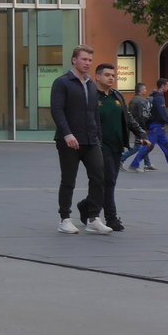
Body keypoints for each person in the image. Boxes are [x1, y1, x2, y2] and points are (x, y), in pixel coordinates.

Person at [50, 45, 109, 234]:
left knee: (99, 177)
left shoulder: (92, 85)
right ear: (74, 60)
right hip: (69, 140)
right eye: (84, 59)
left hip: (91, 140)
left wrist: (98, 136)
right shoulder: (62, 83)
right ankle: (65, 219)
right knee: (69, 180)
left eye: (90, 60)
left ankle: (93, 218)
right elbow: (57, 110)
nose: (87, 63)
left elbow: (94, 113)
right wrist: (67, 134)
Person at [94, 63, 148, 231]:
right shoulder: (92, 97)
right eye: (107, 75)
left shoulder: (117, 96)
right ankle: (111, 218)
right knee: (108, 181)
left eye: (113, 75)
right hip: (100, 145)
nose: (111, 77)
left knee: (109, 181)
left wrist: (141, 134)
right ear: (97, 77)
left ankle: (86, 207)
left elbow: (128, 117)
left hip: (118, 145)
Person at [128, 78, 168, 173]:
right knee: (148, 146)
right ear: (162, 86)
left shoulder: (155, 96)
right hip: (156, 126)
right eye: (167, 85)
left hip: (158, 127)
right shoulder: (159, 98)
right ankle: (134, 164)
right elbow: (163, 114)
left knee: (166, 146)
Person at [120, 83, 157, 171]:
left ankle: (147, 163)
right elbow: (142, 116)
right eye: (144, 89)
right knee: (138, 146)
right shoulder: (141, 101)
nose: (146, 90)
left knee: (145, 144)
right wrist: (143, 129)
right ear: (140, 91)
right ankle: (121, 159)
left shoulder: (133, 99)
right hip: (138, 126)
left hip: (134, 125)